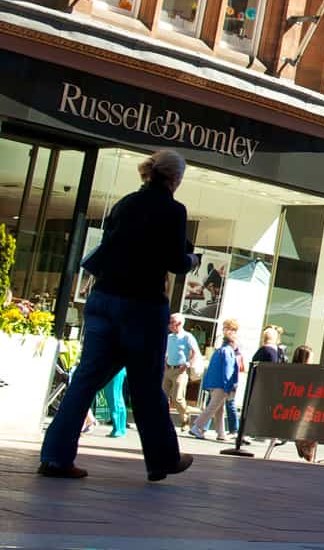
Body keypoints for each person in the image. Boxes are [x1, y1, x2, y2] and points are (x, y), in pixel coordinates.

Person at [38, 149, 195, 481]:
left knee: (85, 381)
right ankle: (162, 459)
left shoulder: (125, 203)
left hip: (103, 297)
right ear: (175, 179)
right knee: (147, 385)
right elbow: (176, 262)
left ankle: (55, 457)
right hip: (143, 304)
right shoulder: (172, 210)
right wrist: (192, 259)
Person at [191, 319, 241, 442]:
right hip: (222, 385)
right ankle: (197, 426)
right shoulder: (228, 352)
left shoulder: (219, 350)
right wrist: (229, 386)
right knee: (213, 408)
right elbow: (228, 372)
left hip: (214, 384)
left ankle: (221, 433)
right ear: (232, 342)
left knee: (219, 409)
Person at [164, 314, 198, 427]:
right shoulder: (169, 337)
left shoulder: (187, 337)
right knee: (163, 395)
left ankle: (185, 418)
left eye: (172, 322)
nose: (170, 325)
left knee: (177, 398)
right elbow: (166, 351)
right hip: (168, 369)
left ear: (179, 324)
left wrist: (187, 364)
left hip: (180, 371)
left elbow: (195, 352)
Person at [289, 346, 320, 462]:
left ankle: (302, 443)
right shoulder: (307, 373)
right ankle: (304, 444)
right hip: (298, 408)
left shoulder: (290, 371)